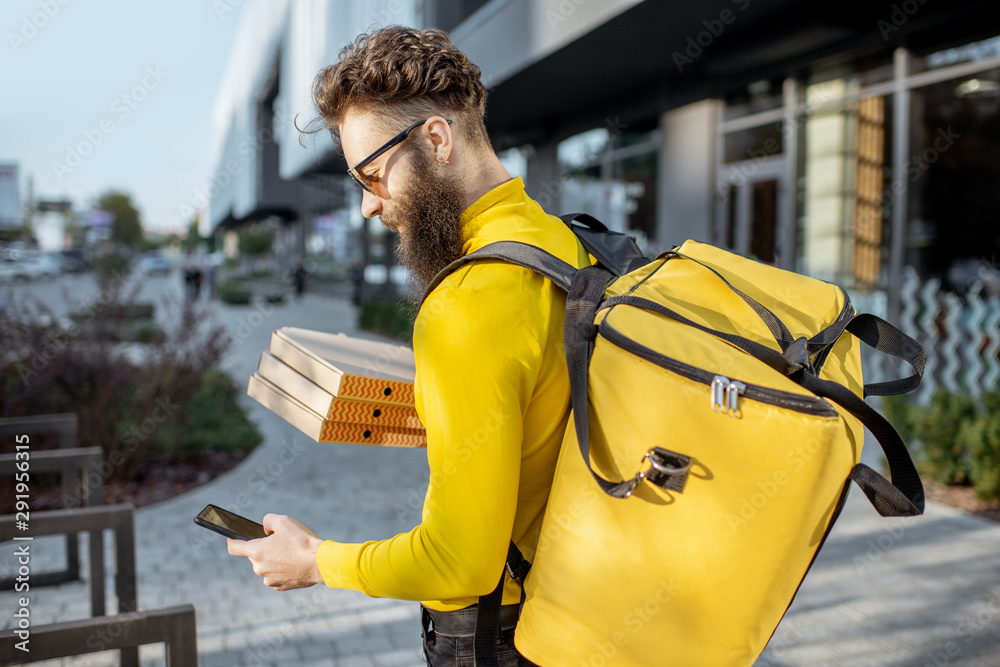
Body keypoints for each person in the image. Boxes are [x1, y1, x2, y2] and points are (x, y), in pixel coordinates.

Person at [226, 26, 589, 666]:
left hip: (506, 630)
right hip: (581, 605)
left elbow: (458, 564)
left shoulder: (467, 302)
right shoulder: (568, 244)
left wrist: (315, 562)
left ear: (436, 140)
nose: (369, 206)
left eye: (371, 175)